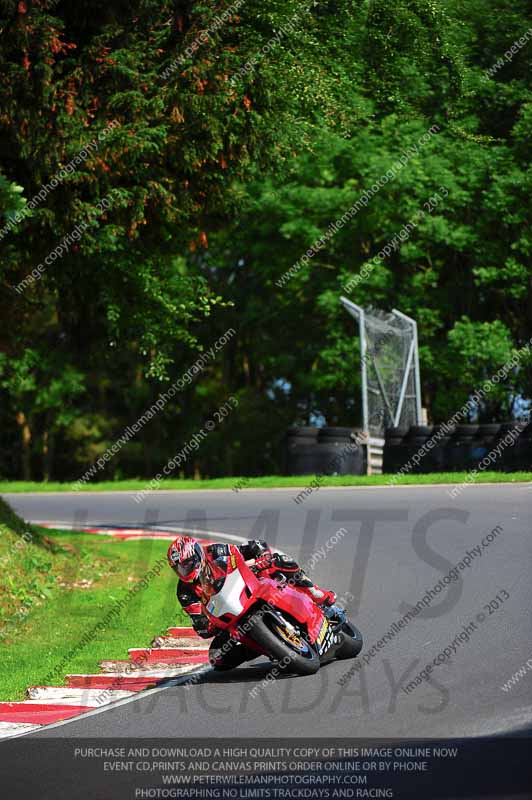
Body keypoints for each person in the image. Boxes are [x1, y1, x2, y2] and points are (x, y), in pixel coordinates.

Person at [167, 536, 336, 670]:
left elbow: (254, 546)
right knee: (217, 657)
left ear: (197, 554)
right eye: (179, 568)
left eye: (187, 564)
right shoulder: (184, 592)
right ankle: (267, 646)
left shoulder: (215, 551)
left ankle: (316, 593)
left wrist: (262, 557)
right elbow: (198, 620)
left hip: (251, 587)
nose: (185, 570)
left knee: (280, 560)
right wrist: (204, 625)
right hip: (230, 617)